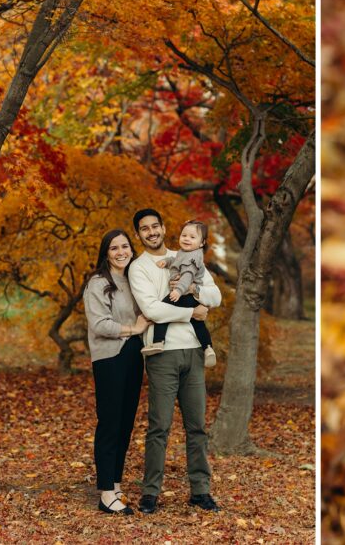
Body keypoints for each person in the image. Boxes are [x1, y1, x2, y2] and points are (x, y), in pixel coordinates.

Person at [127, 208, 222, 514]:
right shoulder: (139, 267)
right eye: (145, 229)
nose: (152, 232)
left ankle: (200, 491)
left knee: (197, 427)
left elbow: (216, 296)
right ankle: (150, 493)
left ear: (164, 227)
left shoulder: (189, 254)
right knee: (159, 427)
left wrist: (194, 290)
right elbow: (152, 309)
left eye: (156, 226)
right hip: (161, 354)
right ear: (139, 234)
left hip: (194, 352)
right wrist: (192, 312)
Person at [82, 229, 149, 515]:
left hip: (134, 355)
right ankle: (106, 493)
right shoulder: (98, 283)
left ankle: (116, 485)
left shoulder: (134, 279)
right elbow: (99, 324)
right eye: (114, 248)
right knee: (110, 423)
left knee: (125, 424)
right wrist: (133, 329)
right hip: (110, 357)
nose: (121, 252)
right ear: (105, 253)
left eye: (125, 246)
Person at [142, 219, 216, 368]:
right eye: (184, 235)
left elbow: (187, 275)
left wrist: (178, 290)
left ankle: (158, 342)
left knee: (163, 309)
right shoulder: (186, 253)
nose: (187, 239)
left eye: (192, 237)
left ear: (202, 243)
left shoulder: (193, 257)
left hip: (186, 294)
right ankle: (208, 348)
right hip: (191, 298)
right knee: (198, 323)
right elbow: (177, 261)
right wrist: (168, 261)